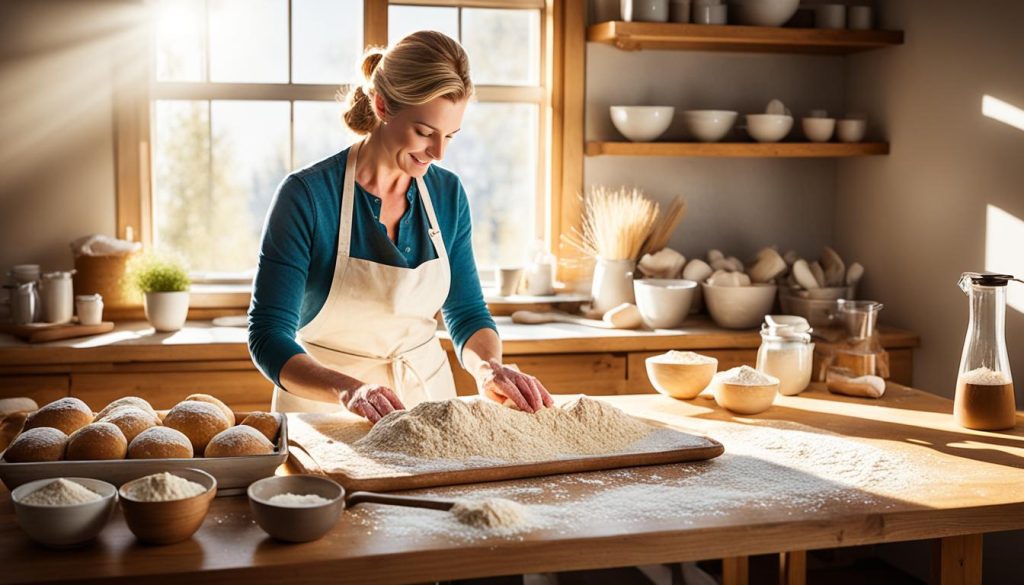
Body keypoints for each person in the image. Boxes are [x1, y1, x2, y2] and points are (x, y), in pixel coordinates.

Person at [248, 31, 553, 422]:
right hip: (326, 412)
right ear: (382, 105)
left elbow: (467, 311)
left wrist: (487, 367)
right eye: (425, 132)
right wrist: (348, 390)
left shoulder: (447, 194)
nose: (438, 152)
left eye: (450, 136)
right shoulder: (306, 196)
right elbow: (268, 335)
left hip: (428, 403)